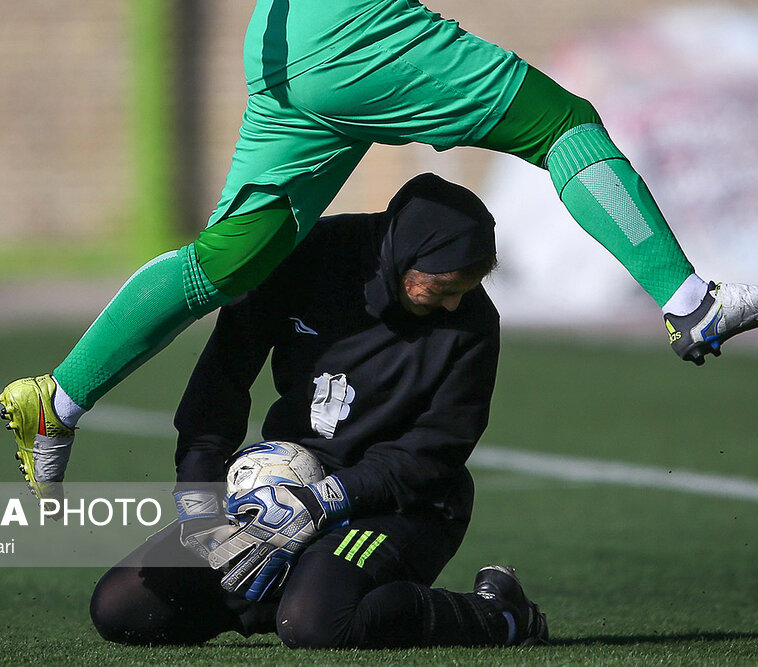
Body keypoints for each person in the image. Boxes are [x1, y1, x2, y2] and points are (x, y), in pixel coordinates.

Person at [0, 0, 758, 499]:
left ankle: (56, 397)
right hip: (357, 29)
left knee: (239, 256)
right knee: (561, 123)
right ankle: (692, 304)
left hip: (287, 43)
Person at [89, 174, 548, 648]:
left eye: (466, 289)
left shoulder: (472, 323)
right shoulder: (300, 258)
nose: (453, 303)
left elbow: (433, 454)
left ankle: (499, 614)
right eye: (442, 288)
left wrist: (328, 499)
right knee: (123, 607)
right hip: (288, 488)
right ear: (405, 255)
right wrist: (198, 493)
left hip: (400, 503)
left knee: (315, 624)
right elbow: (221, 380)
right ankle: (301, 591)